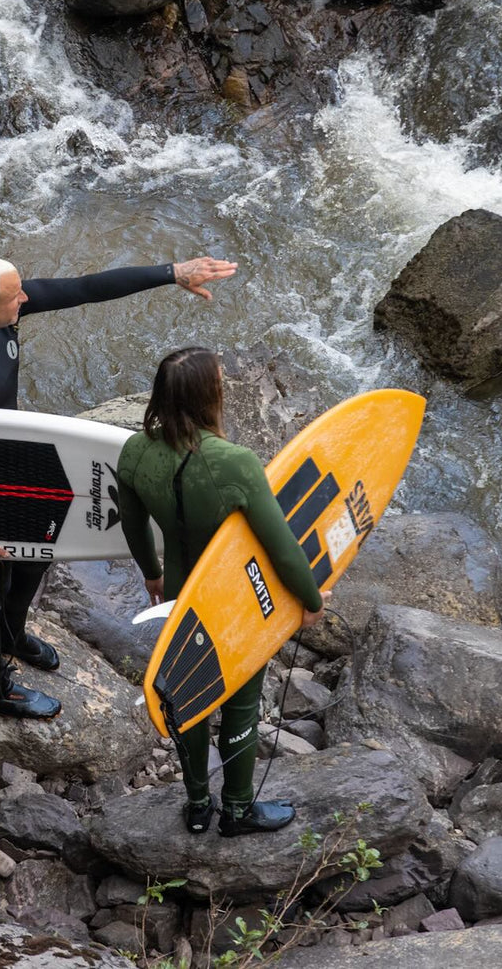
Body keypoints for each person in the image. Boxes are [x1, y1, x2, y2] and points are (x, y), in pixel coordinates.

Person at [0, 254, 238, 720]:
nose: (25, 299)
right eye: (15, 296)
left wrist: (171, 273)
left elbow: (84, 286)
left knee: (38, 555)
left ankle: (13, 633)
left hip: (15, 451)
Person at [115, 347, 328, 836]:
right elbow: (284, 550)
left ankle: (195, 804)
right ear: (208, 396)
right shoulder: (235, 463)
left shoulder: (134, 451)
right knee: (239, 699)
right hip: (233, 603)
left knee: (185, 690)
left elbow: (131, 522)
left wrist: (152, 573)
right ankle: (235, 809)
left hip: (181, 598)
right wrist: (311, 602)